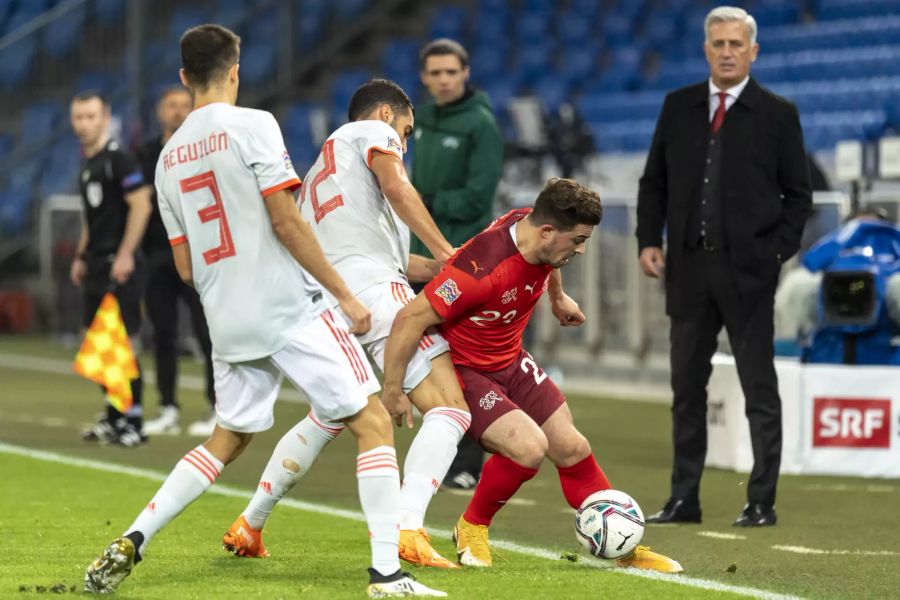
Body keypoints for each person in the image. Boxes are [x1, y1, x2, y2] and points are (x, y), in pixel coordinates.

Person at [83, 25, 443, 598]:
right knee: (372, 423)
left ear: (183, 77)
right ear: (235, 71)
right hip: (290, 304)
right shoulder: (254, 125)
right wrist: (343, 295)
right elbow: (286, 220)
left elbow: (184, 268)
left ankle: (134, 536)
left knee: (226, 439)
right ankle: (387, 575)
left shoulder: (167, 159)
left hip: (226, 316)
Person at [223, 78, 470, 570]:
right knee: (450, 408)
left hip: (331, 301)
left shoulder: (322, 176)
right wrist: (448, 249)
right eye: (406, 129)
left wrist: (451, 266)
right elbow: (397, 189)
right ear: (385, 115)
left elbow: (394, 262)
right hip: (374, 295)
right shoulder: (371, 134)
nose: (405, 140)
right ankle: (409, 530)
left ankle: (249, 523)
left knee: (332, 414)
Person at [382, 178, 682, 573]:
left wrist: (557, 298)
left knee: (572, 447)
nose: (581, 249)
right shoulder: (478, 270)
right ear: (547, 231)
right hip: (468, 369)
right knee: (527, 448)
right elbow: (410, 318)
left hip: (511, 358)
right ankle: (472, 526)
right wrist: (393, 388)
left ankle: (622, 547)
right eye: (577, 240)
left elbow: (544, 260)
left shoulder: (533, 229)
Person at [636, 6, 812, 527]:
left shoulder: (778, 114)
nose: (728, 51)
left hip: (749, 274)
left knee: (760, 387)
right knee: (686, 388)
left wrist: (775, 252)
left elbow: (798, 197)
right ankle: (683, 498)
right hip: (688, 271)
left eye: (737, 44)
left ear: (753, 51)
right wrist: (650, 239)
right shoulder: (679, 106)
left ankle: (761, 501)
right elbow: (654, 183)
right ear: (706, 49)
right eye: (719, 44)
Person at [411, 38, 504, 489]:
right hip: (420, 258)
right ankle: (441, 451)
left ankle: (469, 462)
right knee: (428, 360)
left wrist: (425, 201)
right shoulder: (420, 121)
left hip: (464, 259)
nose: (444, 79)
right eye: (435, 73)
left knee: (466, 358)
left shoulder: (481, 125)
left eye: (451, 71)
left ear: (465, 73)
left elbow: (477, 198)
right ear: (424, 77)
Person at [70, 90, 153, 447]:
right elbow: (93, 218)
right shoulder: (90, 163)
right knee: (98, 344)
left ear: (105, 118)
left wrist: (125, 254)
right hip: (96, 264)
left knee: (122, 344)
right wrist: (80, 254)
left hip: (119, 267)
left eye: (91, 116)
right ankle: (114, 415)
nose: (84, 124)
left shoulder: (118, 159)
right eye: (78, 117)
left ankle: (133, 422)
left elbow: (141, 205)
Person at [137, 85, 218, 437]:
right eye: (171, 105)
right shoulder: (144, 154)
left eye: (185, 105)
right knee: (162, 335)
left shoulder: (205, 152)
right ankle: (168, 407)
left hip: (199, 253)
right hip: (157, 255)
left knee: (207, 333)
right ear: (160, 110)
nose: (178, 111)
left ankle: (218, 407)